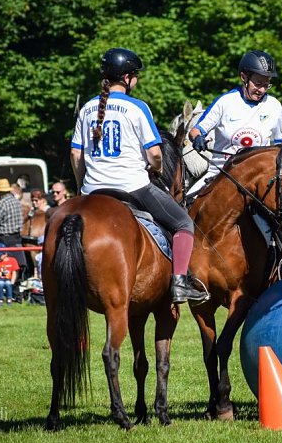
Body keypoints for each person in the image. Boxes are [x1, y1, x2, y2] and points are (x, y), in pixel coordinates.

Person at [70, 47, 208, 305]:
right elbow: (155, 154)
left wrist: (82, 187)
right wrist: (155, 169)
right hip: (132, 187)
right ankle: (179, 283)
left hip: (92, 190)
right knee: (183, 224)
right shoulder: (137, 107)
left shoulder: (88, 108)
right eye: (136, 76)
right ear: (127, 78)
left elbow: (76, 156)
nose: (137, 80)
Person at [187, 50, 282, 195]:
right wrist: (198, 138)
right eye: (257, 84)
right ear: (244, 77)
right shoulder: (225, 102)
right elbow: (196, 130)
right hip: (221, 173)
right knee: (187, 205)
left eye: (267, 85)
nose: (262, 90)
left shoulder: (274, 105)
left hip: (259, 176)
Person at [0, 178, 27, 271]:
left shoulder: (2, 203)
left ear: (0, 191)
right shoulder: (16, 201)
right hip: (17, 237)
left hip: (4, 238)